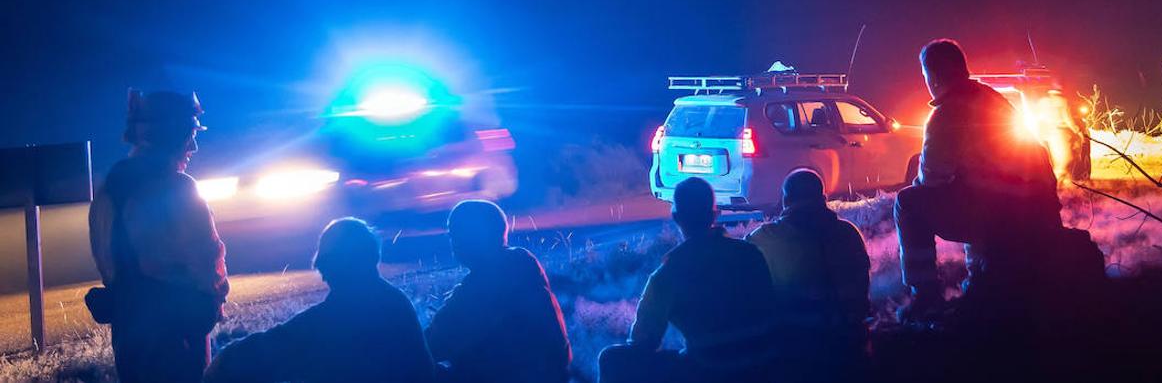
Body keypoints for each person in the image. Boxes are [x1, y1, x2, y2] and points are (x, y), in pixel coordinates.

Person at [894, 40, 1061, 320]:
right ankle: (980, 279)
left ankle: (925, 295)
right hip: (1032, 211)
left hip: (997, 213)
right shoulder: (995, 100)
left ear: (932, 76)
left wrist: (922, 186)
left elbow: (932, 179)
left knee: (908, 203)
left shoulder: (946, 114)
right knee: (970, 191)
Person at [86, 90, 229, 383]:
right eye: (190, 134)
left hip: (129, 333)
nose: (194, 146)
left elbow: (106, 262)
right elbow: (208, 261)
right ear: (171, 134)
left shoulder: (107, 190)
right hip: (179, 336)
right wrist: (213, 301)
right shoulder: (180, 189)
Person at [204, 218, 435, 383]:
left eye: (324, 263)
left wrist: (221, 362)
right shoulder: (395, 301)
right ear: (373, 257)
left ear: (328, 267)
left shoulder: (337, 316)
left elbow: (276, 345)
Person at [598, 177, 775, 383]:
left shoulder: (669, 272)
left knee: (611, 358)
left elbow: (644, 341)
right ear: (715, 215)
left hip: (709, 369)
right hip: (762, 365)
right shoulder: (750, 253)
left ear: (676, 217)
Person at [426, 200, 571, 383]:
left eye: (457, 233)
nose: (453, 242)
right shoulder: (520, 265)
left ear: (477, 236)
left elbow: (436, 343)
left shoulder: (486, 281)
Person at [747, 170, 870, 379]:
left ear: (785, 201)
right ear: (824, 199)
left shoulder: (763, 240)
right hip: (846, 346)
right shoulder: (849, 234)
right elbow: (861, 294)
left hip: (789, 347)